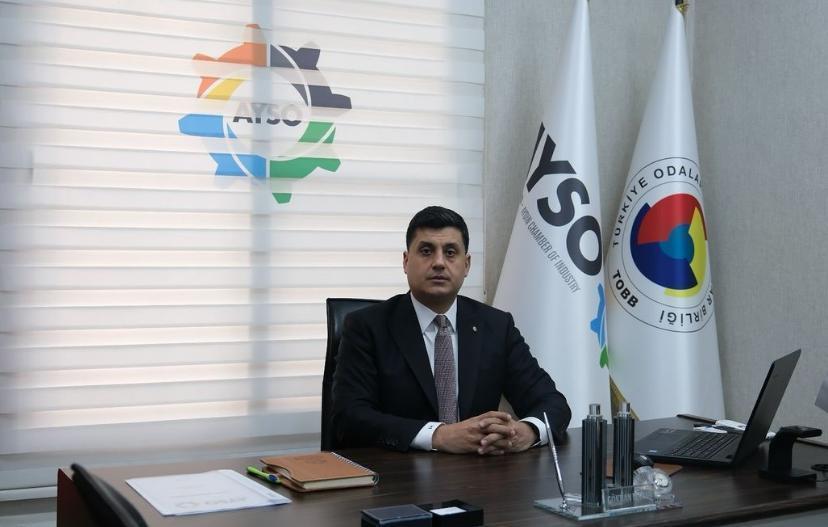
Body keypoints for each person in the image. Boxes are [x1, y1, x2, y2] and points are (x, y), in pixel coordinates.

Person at [331, 206, 571, 454]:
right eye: (426, 251)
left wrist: (526, 432)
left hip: (480, 471)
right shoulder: (367, 327)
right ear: (406, 261)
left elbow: (553, 403)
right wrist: (438, 436)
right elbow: (348, 417)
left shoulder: (497, 326)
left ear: (466, 265)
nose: (438, 262)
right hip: (400, 473)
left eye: (450, 252)